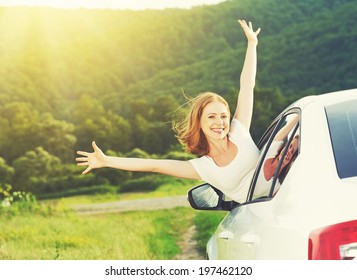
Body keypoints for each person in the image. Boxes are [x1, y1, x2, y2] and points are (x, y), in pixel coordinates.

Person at [76, 20, 261, 203]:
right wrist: (107, 161)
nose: (220, 122)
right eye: (211, 117)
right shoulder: (203, 168)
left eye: (223, 116)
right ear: (199, 122)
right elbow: (154, 165)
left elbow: (247, 86)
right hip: (260, 215)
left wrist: (252, 45)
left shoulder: (239, 130)